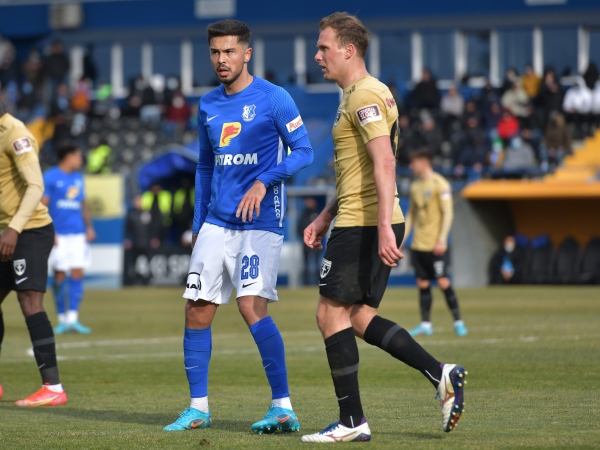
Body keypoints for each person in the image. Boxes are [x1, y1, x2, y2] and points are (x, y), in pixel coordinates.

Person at [301, 13, 467, 443]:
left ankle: (351, 422)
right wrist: (326, 215)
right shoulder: (357, 94)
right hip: (362, 216)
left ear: (348, 50)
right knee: (357, 317)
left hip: (364, 221)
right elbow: (358, 172)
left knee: (329, 315)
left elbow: (385, 162)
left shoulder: (365, 94)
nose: (317, 55)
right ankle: (440, 373)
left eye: (323, 47)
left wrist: (381, 227)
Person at [164, 19, 314, 433]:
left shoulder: (275, 98)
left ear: (247, 53)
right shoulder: (207, 104)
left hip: (260, 220)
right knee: (196, 309)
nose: (221, 59)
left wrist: (264, 182)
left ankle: (282, 406)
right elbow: (205, 167)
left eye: (229, 51)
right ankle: (198, 409)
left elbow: (304, 151)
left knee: (250, 306)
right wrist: (198, 223)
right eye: (215, 52)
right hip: (216, 220)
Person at [0, 82, 67, 406]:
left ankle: (53, 387)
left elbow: (36, 185)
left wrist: (13, 229)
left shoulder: (15, 132)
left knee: (29, 301)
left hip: (29, 230)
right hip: (5, 231)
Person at [403, 149, 468, 337]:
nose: (411, 166)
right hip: (418, 245)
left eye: (414, 162)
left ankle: (458, 322)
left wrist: (442, 239)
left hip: (435, 245)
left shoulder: (440, 184)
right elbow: (411, 215)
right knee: (422, 283)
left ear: (424, 163)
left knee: (443, 282)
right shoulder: (415, 186)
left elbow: (448, 213)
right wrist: (402, 240)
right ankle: (426, 324)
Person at [42, 141, 96, 334]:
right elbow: (43, 206)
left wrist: (89, 227)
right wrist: (49, 231)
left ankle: (73, 318)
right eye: (78, 156)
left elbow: (83, 204)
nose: (81, 159)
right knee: (59, 275)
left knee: (77, 272)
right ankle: (62, 319)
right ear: (69, 156)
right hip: (59, 235)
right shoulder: (50, 176)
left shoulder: (78, 178)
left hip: (78, 234)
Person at [297, 197, 320, 285]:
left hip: (315, 243)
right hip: (305, 244)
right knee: (305, 264)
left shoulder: (317, 215)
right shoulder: (303, 215)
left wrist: (315, 238)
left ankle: (318, 282)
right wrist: (305, 238)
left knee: (317, 263)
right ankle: (305, 283)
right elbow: (299, 229)